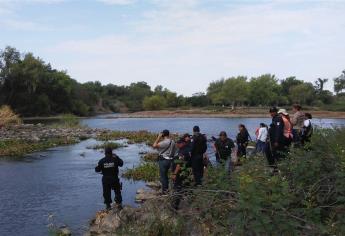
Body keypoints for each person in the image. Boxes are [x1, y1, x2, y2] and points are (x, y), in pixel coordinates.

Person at [171, 137, 192, 210]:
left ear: (183, 143)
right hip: (184, 172)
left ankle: (175, 205)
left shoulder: (183, 151)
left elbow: (179, 164)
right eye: (177, 143)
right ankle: (182, 202)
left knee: (178, 188)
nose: (177, 144)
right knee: (184, 187)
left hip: (180, 173)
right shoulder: (186, 149)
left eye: (179, 143)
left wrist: (174, 174)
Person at [153, 129, 176, 194]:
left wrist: (158, 137)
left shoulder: (164, 142)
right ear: (168, 134)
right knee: (166, 175)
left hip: (163, 160)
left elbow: (154, 145)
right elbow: (174, 152)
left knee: (163, 176)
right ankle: (168, 189)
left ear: (163, 135)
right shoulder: (173, 141)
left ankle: (165, 191)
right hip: (170, 160)